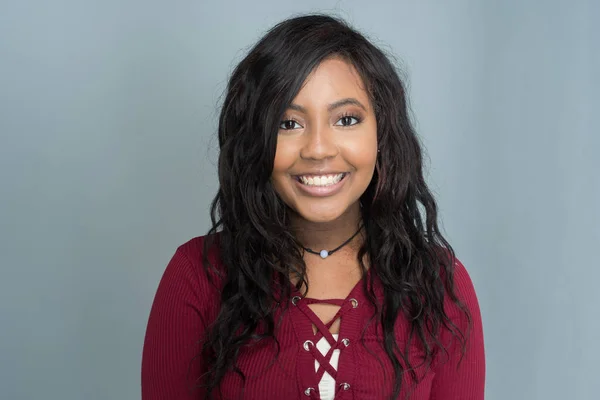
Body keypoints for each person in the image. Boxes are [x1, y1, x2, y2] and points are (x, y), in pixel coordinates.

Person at [141, 14, 485, 400]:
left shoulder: (439, 284)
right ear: (256, 139)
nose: (318, 148)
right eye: (288, 123)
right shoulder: (197, 277)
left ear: (382, 134)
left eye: (347, 119)